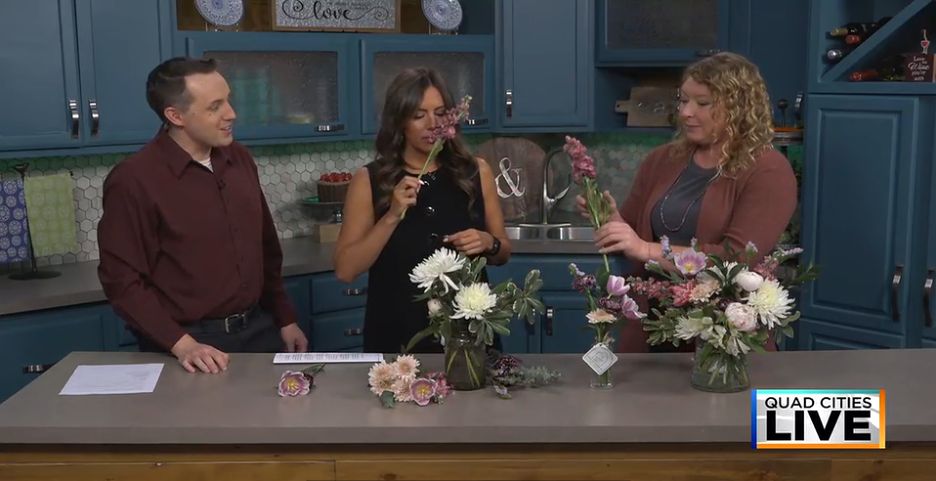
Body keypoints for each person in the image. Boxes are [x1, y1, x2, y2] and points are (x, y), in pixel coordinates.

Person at [97, 57, 308, 374]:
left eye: (228, 100)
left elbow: (265, 247)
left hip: (259, 331)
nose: (231, 113)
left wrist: (285, 318)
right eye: (215, 107)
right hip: (190, 346)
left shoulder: (239, 159)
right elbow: (122, 282)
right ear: (175, 116)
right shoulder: (134, 180)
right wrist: (183, 345)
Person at [577, 52, 797, 353]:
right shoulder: (663, 159)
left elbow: (734, 260)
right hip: (651, 328)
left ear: (739, 107)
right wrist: (613, 221)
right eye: (683, 100)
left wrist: (645, 249)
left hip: (722, 336)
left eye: (702, 103)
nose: (685, 112)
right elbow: (632, 237)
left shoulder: (768, 170)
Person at [333, 68, 510, 354]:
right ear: (400, 122)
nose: (432, 124)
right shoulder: (371, 180)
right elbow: (345, 270)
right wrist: (392, 215)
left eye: (440, 113)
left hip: (467, 336)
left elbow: (503, 252)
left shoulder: (476, 172)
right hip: (397, 332)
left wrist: (489, 243)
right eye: (418, 115)